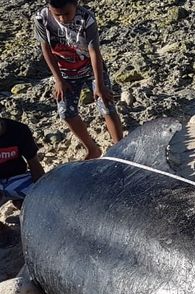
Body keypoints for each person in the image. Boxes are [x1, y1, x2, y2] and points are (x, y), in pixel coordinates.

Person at [34, 0, 123, 160]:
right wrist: (58, 80)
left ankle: (120, 148)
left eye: (66, 14)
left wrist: (100, 85)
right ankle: (92, 148)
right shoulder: (41, 18)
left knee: (107, 105)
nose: (62, 19)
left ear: (75, 4)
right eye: (57, 15)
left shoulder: (87, 19)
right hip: (65, 73)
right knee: (66, 112)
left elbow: (94, 52)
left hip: (91, 69)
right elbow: (46, 50)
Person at [0, 118, 45, 208]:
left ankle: (21, 201)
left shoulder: (19, 130)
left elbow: (34, 164)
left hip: (18, 177)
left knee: (46, 195)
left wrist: (42, 192)